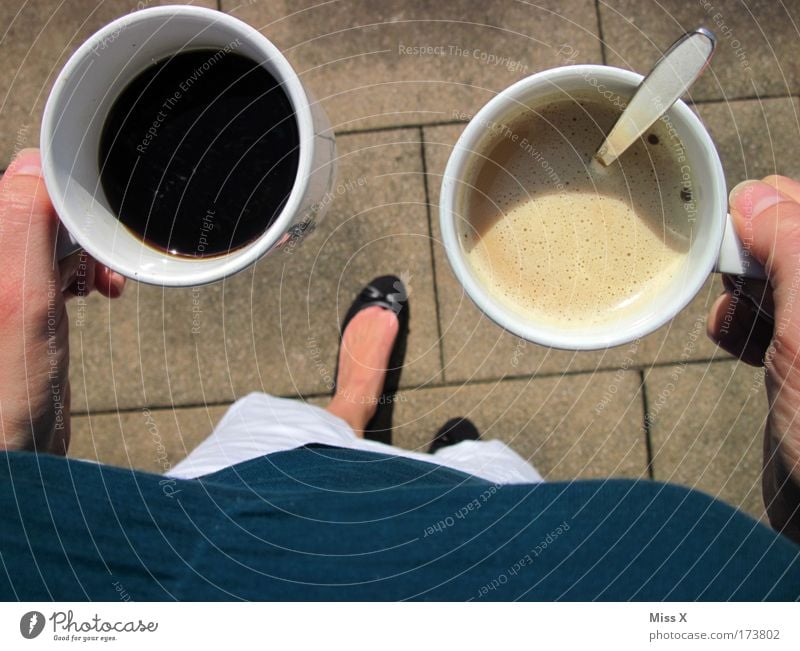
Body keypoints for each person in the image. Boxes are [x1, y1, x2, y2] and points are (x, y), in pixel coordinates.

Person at [0, 148, 798, 600]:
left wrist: (13, 457)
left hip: (226, 535)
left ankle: (352, 408)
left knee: (277, 434)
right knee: (489, 476)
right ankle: (442, 454)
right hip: (544, 550)